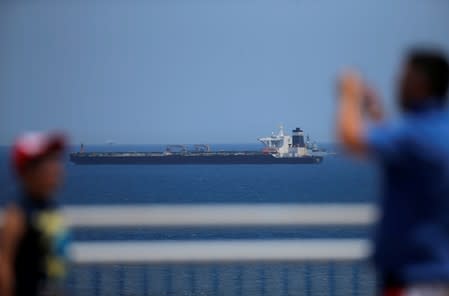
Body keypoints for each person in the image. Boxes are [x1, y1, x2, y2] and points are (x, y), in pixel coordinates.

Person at [337, 49, 449, 295]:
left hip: (414, 279)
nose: (397, 84)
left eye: (403, 78)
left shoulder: (415, 133)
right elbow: (405, 147)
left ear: (420, 83)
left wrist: (349, 95)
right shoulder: (436, 131)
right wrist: (376, 112)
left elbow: (350, 138)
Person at [0, 132, 70, 296]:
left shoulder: (49, 209)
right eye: (47, 162)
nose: (56, 167)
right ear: (27, 171)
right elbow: (4, 267)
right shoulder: (18, 214)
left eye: (56, 160)